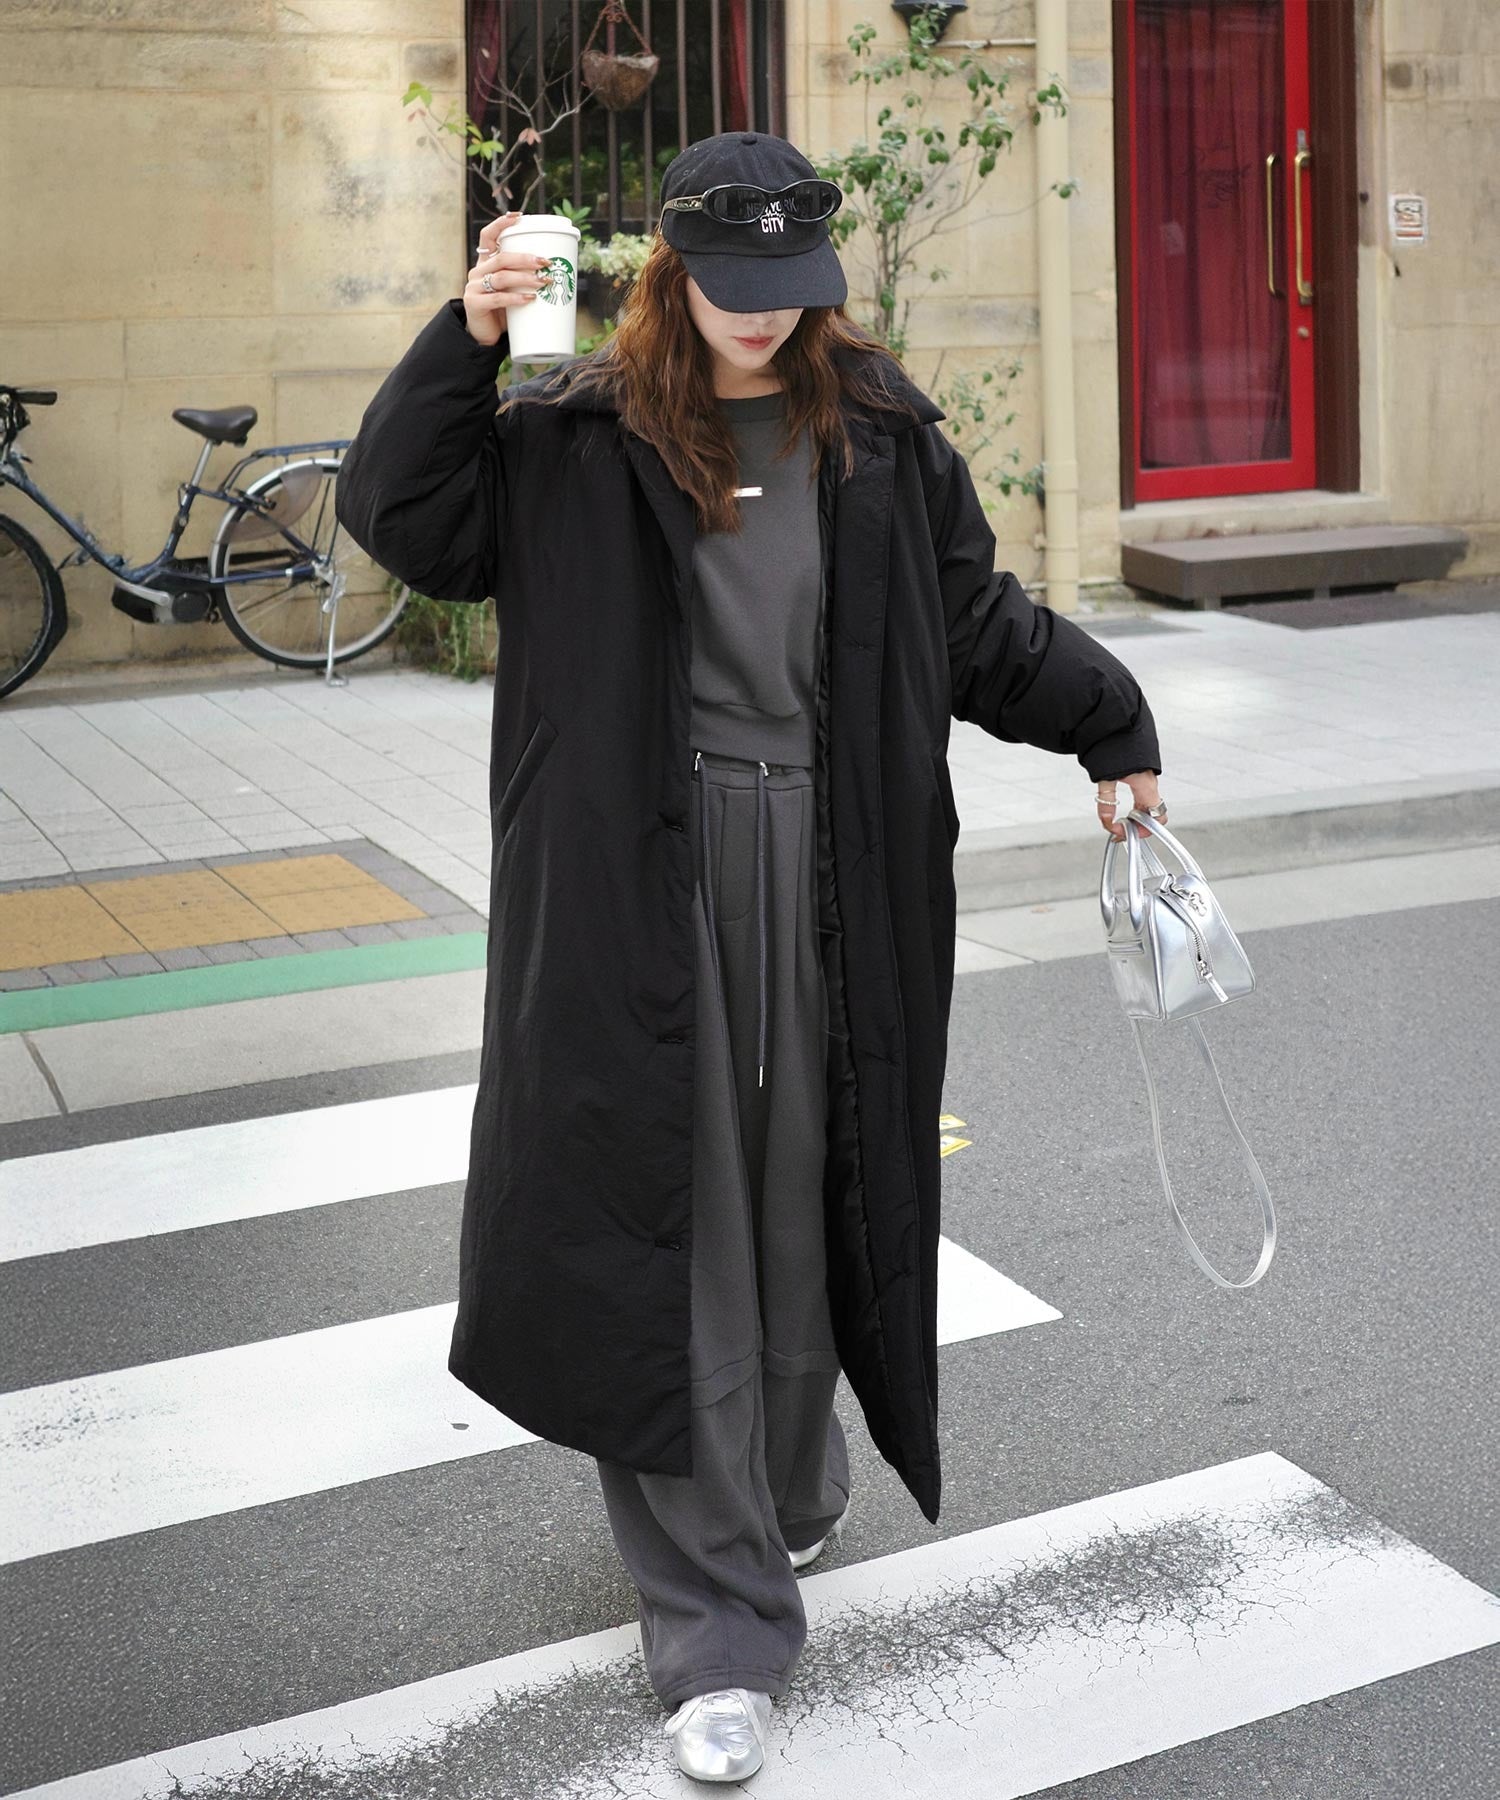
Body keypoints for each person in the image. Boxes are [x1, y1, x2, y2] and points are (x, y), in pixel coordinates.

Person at [334, 129, 1165, 1784]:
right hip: (637, 876)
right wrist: (467, 336)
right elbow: (405, 519)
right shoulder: (576, 435)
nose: (763, 313)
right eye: (733, 281)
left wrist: (1114, 723)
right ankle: (718, 1630)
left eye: (792, 284)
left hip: (838, 867)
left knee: (807, 1188)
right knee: (678, 1221)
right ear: (670, 268)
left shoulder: (880, 436)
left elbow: (971, 626)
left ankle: (784, 1481)